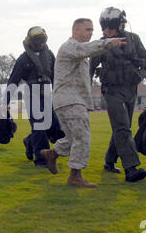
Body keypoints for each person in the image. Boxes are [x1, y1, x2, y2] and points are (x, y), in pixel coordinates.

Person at [40, 19, 126, 188]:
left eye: (92, 30)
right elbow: (87, 49)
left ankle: (53, 153)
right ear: (76, 30)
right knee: (83, 137)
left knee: (74, 138)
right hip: (70, 100)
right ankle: (75, 176)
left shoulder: (75, 50)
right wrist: (108, 42)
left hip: (69, 100)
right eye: (88, 29)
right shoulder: (71, 47)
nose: (91, 33)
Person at [89, 7, 146, 183]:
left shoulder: (134, 39)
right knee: (122, 127)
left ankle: (109, 161)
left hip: (130, 89)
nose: (107, 31)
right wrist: (84, 94)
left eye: (111, 27)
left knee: (123, 126)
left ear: (120, 25)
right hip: (111, 91)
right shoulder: (101, 44)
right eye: (104, 27)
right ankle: (131, 168)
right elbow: (89, 69)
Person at [7, 26, 63, 168]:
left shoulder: (49, 55)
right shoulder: (23, 59)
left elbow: (56, 76)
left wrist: (60, 93)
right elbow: (13, 81)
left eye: (42, 41)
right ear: (31, 42)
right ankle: (41, 158)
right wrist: (5, 102)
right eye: (38, 41)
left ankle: (29, 141)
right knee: (39, 125)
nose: (41, 44)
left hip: (46, 93)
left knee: (52, 125)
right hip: (30, 94)